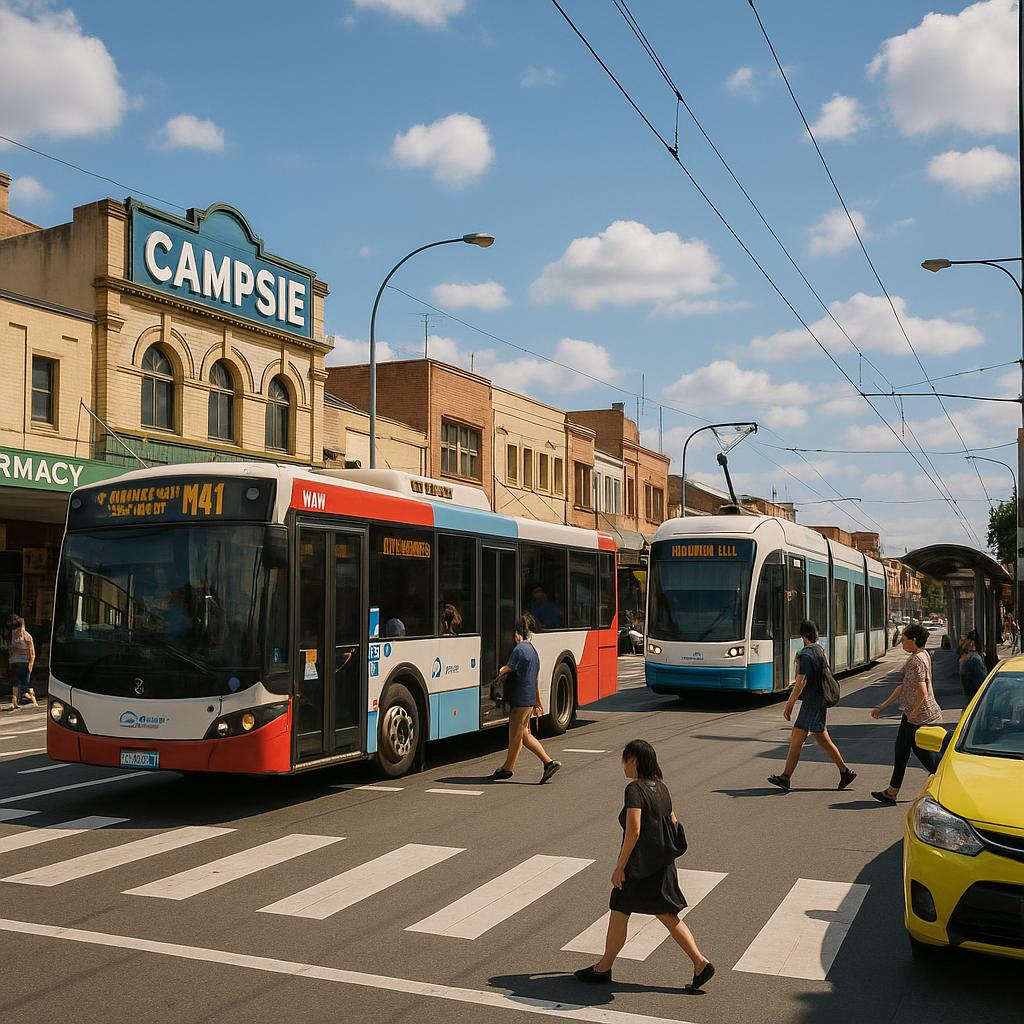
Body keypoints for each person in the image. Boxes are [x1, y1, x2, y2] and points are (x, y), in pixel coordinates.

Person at [574, 739, 715, 992]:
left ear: (635, 761)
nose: (623, 765)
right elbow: (673, 820)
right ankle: (700, 963)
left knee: (619, 910)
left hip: (639, 868)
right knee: (666, 914)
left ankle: (603, 969)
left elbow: (634, 830)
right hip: (661, 865)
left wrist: (620, 866)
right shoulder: (662, 788)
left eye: (625, 760)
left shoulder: (634, 790)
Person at [768, 620, 857, 792]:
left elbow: (801, 681)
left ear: (802, 636)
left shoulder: (806, 654)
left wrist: (789, 705)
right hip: (820, 699)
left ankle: (786, 777)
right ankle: (845, 772)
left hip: (812, 702)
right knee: (823, 739)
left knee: (796, 738)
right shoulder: (819, 650)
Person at [871, 623, 943, 805]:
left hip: (918, 716)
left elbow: (922, 691)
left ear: (914, 640)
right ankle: (891, 792)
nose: (901, 642)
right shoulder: (921, 655)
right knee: (901, 751)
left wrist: (914, 714)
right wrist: (882, 706)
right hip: (912, 714)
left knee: (926, 757)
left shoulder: (916, 660)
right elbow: (903, 687)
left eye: (904, 639)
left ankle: (946, 783)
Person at [491, 616, 560, 784]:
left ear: (517, 633)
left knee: (517, 734)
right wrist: (537, 701)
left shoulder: (519, 650)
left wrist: (497, 672)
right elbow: (535, 678)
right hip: (528, 699)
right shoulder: (532, 651)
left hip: (519, 699)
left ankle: (548, 762)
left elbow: (508, 668)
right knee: (522, 734)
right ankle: (509, 767)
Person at [9, 617, 38, 710]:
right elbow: (32, 653)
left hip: (17, 662)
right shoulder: (26, 636)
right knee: (25, 683)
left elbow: (12, 650)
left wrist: (18, 651)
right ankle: (32, 701)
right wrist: (31, 664)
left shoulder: (16, 635)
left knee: (18, 683)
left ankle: (16, 700)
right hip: (23, 662)